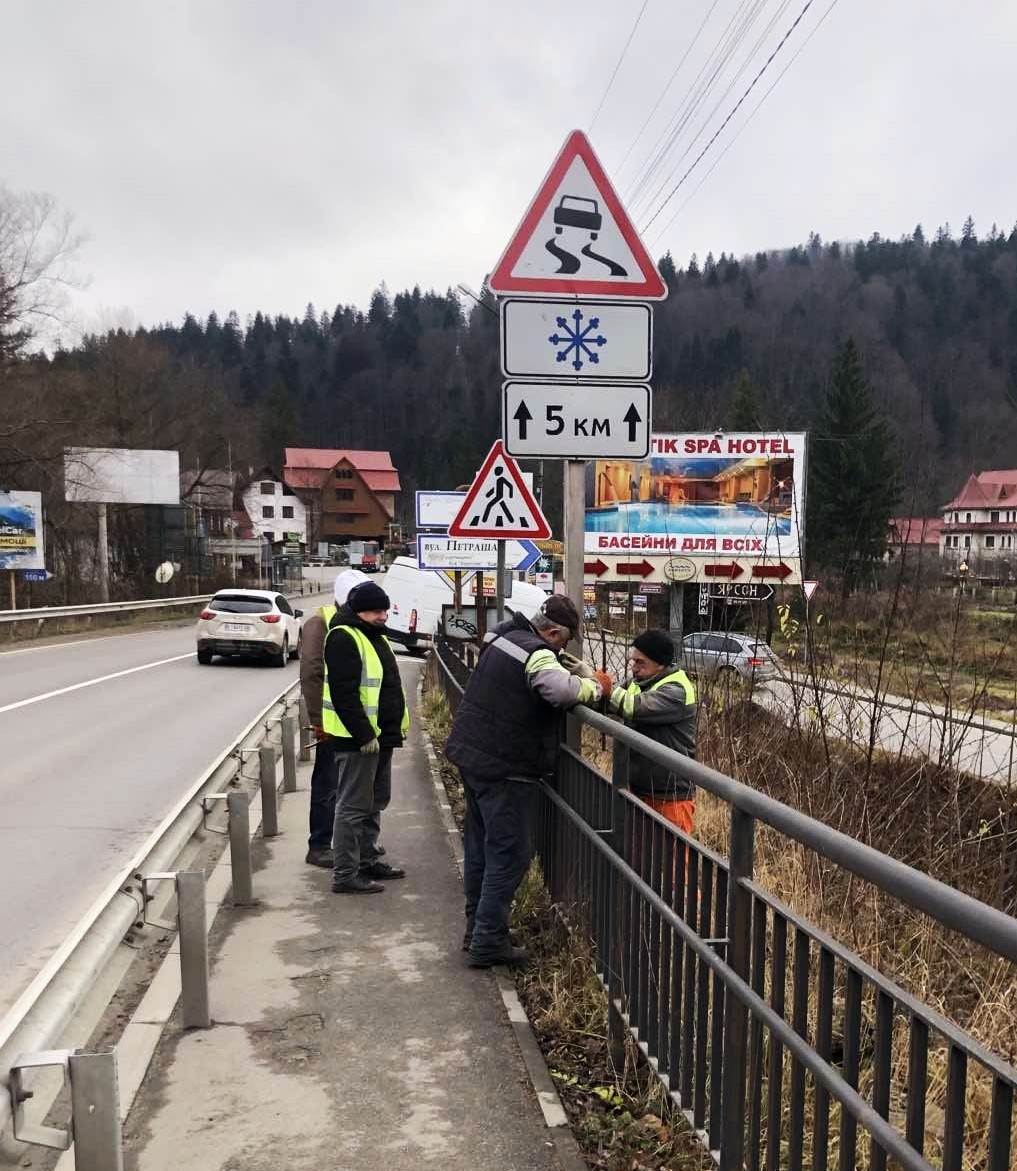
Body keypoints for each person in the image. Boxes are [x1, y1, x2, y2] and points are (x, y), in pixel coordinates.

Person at [446, 595, 613, 967]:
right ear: (553, 632)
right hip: (506, 766)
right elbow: (561, 691)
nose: (561, 649)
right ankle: (488, 943)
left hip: (474, 756)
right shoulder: (537, 652)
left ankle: (478, 929)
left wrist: (567, 664)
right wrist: (597, 687)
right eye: (563, 642)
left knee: (481, 850)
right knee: (510, 855)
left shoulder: (504, 636)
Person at [323, 580, 409, 894]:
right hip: (359, 739)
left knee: (374, 802)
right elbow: (344, 693)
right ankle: (345, 874)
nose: (383, 616)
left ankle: (367, 860)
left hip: (381, 737)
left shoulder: (373, 636)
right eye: (376, 611)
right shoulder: (344, 637)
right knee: (353, 806)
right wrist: (363, 734)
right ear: (359, 612)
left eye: (385, 610)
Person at [300, 568, 369, 868]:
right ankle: (319, 845)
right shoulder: (321, 623)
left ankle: (351, 844)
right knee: (328, 784)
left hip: (357, 719)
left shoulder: (357, 622)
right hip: (331, 719)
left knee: (351, 787)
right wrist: (318, 720)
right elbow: (312, 674)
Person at [606, 628, 697, 834]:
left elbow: (635, 706)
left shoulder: (676, 690)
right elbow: (610, 702)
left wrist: (608, 690)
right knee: (641, 860)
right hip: (641, 789)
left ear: (661, 664)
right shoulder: (640, 683)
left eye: (640, 663)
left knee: (672, 863)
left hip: (671, 795)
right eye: (633, 662)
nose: (634, 668)